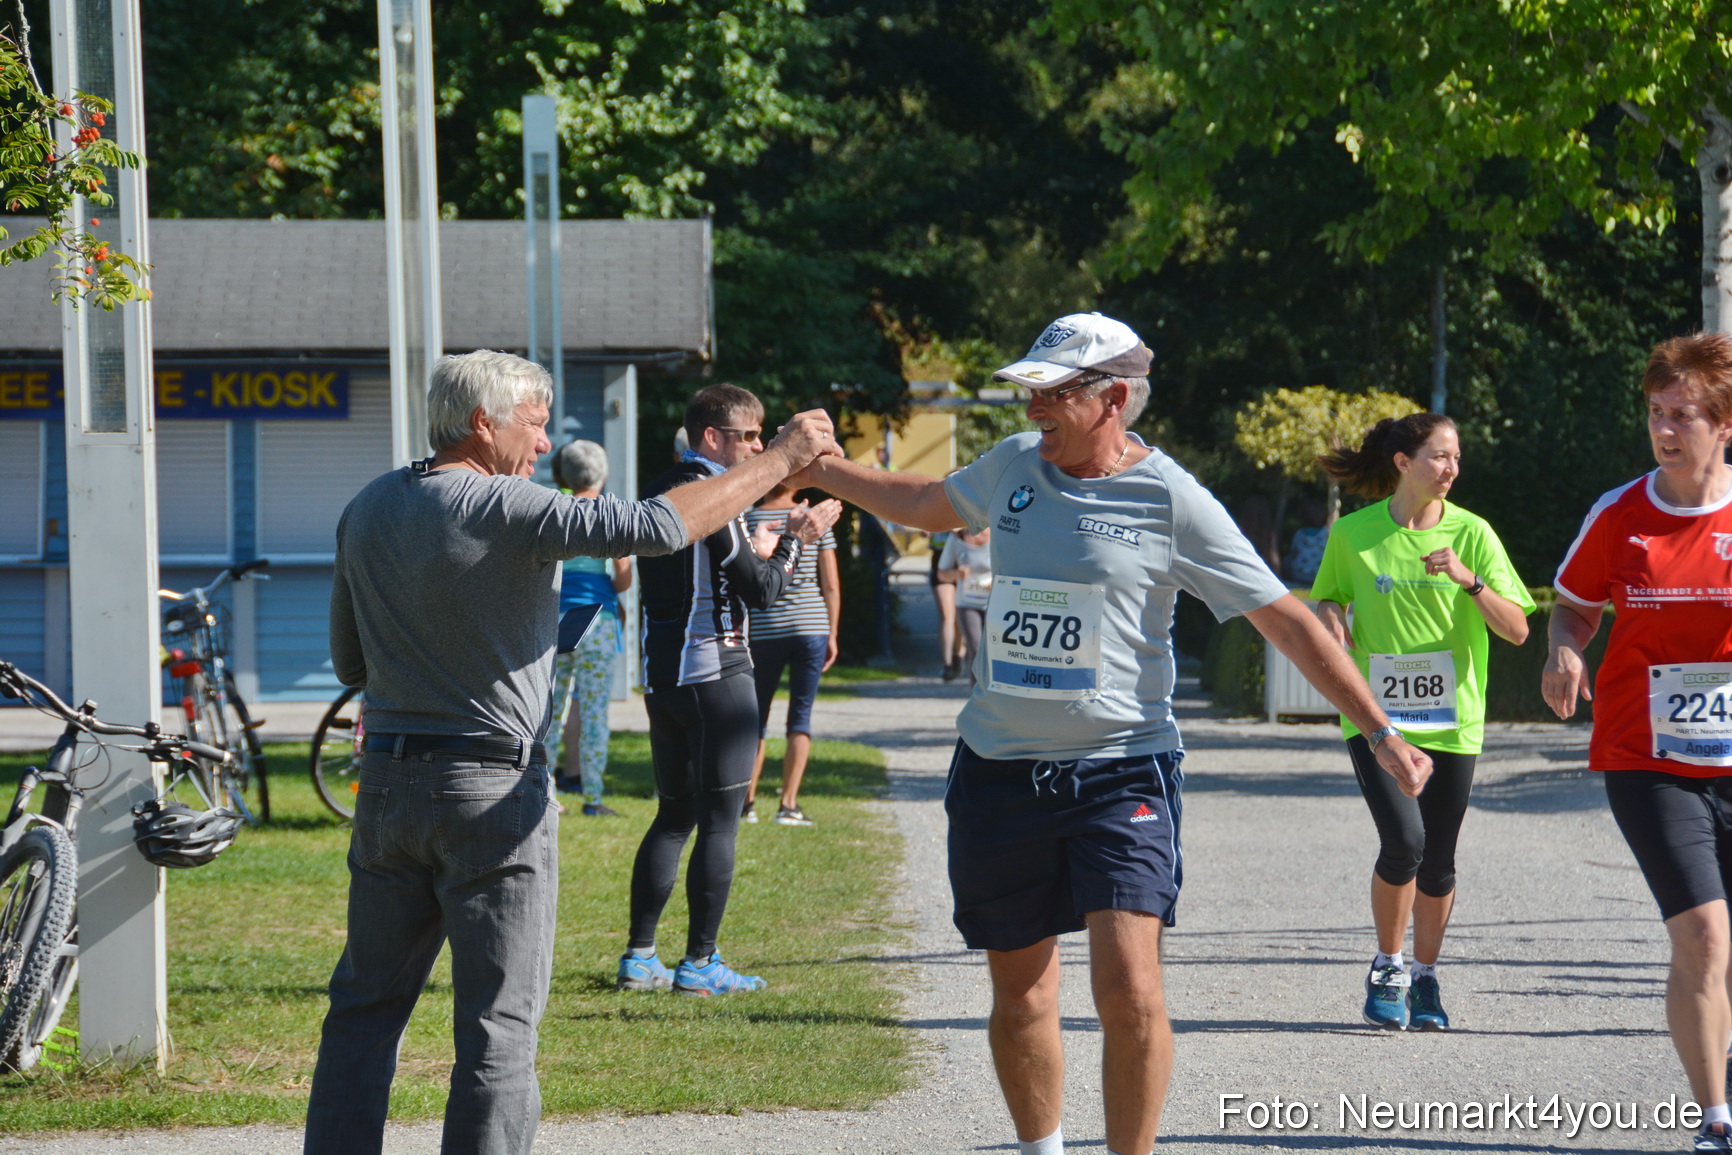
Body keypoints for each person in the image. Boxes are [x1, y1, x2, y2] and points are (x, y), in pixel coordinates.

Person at [790, 312, 1431, 1155]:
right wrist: (827, 470)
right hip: (999, 768)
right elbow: (928, 503)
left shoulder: (1172, 498)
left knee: (1129, 988)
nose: (1033, 411)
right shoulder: (1016, 465)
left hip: (1121, 769)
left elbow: (1287, 618)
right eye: (1032, 394)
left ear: (1114, 399)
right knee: (1022, 995)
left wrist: (1379, 726)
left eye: (1052, 395)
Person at [304, 352, 838, 1155]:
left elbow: (351, 665)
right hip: (490, 789)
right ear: (483, 423)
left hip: (386, 786)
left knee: (364, 1011)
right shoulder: (515, 505)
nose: (547, 438)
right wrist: (783, 459)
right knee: (498, 1028)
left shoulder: (369, 504)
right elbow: (661, 527)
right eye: (536, 419)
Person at [1542, 333, 1732, 1154]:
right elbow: (1575, 603)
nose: (1664, 428)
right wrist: (1564, 647)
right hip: (1647, 756)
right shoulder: (1620, 512)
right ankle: (1715, 1116)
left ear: (1724, 424)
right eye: (1655, 413)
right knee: (1703, 934)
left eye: (1681, 414)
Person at [1311, 413, 1533, 1031]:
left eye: (1457, 457)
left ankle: (1427, 978)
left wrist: (1469, 580)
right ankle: (1388, 965)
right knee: (1403, 842)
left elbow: (1516, 628)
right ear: (1404, 462)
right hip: (1378, 721)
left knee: (1439, 861)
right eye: (1440, 456)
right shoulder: (1353, 534)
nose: (1452, 468)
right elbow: (1327, 595)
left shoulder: (1474, 534)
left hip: (1453, 723)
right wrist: (1331, 615)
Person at [623, 384, 843, 996]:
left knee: (672, 816)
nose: (759, 447)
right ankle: (700, 963)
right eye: (749, 436)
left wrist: (764, 546)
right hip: (718, 675)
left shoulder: (658, 488)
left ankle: (640, 956)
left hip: (664, 676)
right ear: (712, 438)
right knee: (719, 823)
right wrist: (797, 538)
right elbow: (763, 592)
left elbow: (707, 574)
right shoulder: (714, 497)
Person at [742, 481, 841, 827]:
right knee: (800, 715)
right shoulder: (813, 519)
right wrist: (833, 631)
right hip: (811, 624)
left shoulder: (749, 517)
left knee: (755, 718)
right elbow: (829, 583)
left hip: (763, 628)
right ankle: (788, 805)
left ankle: (747, 803)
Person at [545, 439, 633, 817]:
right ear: (602, 473)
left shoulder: (553, 511)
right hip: (598, 617)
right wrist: (609, 594)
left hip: (556, 619)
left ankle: (544, 792)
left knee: (550, 708)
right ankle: (593, 798)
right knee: (595, 711)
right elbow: (624, 577)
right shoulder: (610, 515)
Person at [937, 526, 992, 684]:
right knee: (975, 648)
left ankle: (994, 695)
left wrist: (997, 581)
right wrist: (957, 574)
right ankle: (976, 695)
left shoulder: (998, 534)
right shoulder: (956, 538)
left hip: (994, 602)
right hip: (967, 603)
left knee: (991, 649)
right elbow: (941, 573)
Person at [928, 528, 962, 679]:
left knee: (961, 614)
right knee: (947, 614)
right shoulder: (933, 505)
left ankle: (959, 655)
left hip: (964, 557)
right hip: (941, 558)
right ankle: (947, 662)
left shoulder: (967, 504)